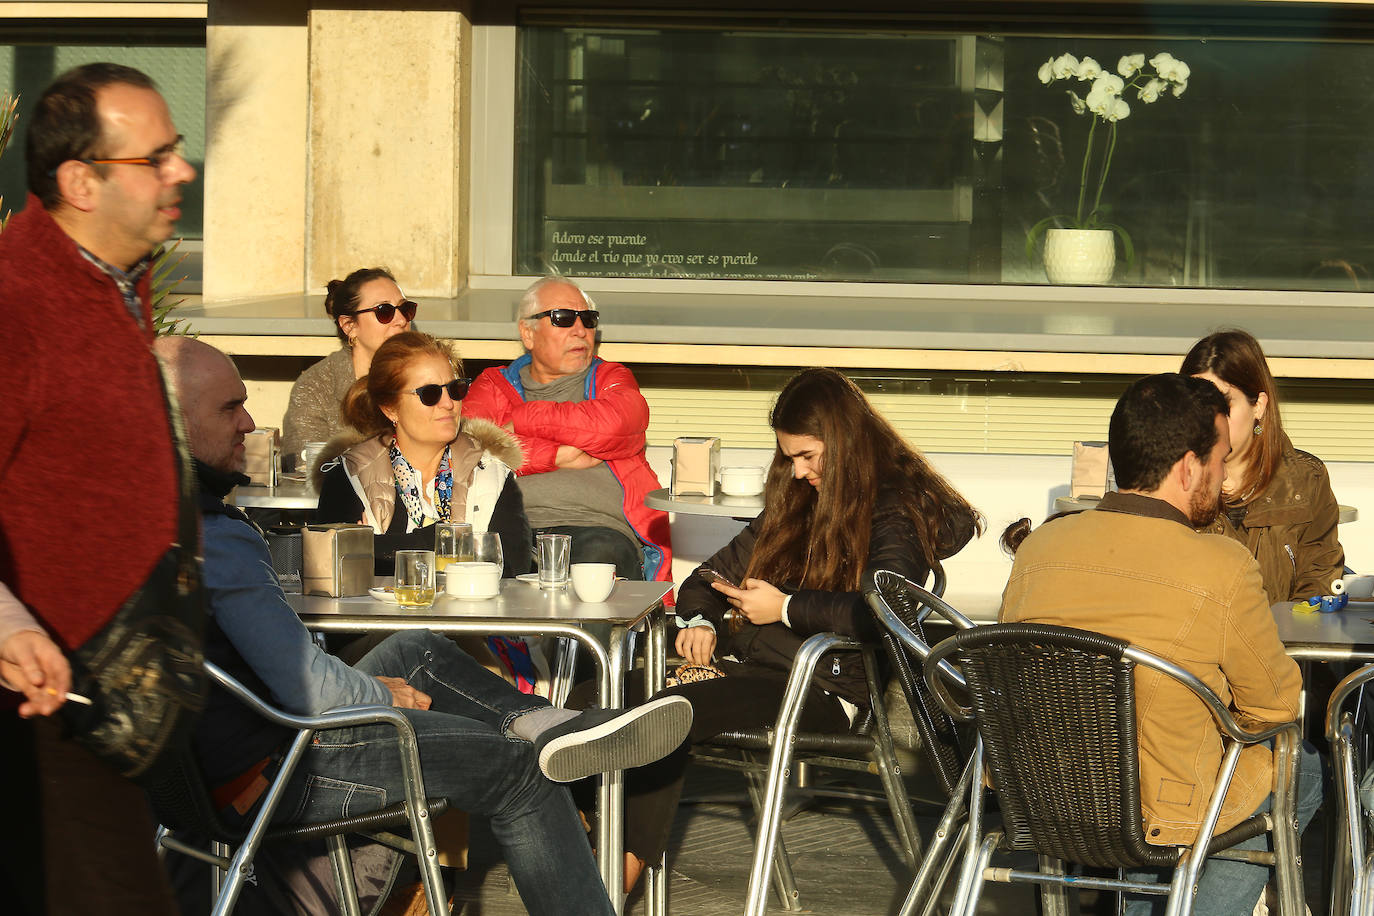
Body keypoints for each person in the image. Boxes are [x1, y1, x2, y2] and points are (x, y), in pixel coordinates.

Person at [155, 336, 694, 916]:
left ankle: (546, 722)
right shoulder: (222, 536)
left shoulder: (142, 522)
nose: (251, 420)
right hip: (278, 766)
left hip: (203, 767)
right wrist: (372, 692)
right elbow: (309, 686)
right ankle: (542, 745)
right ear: (173, 422)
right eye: (229, 408)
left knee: (416, 646)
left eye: (455, 390)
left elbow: (504, 559)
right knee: (520, 773)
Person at [574, 367, 982, 891]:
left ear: (847, 444)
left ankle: (612, 881)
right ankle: (593, 842)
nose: (797, 472)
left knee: (662, 719)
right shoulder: (800, 503)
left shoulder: (896, 510)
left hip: (827, 687)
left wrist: (787, 608)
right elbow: (706, 578)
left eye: (808, 456)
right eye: (790, 458)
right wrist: (701, 620)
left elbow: (886, 613)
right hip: (753, 667)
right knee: (595, 693)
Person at [999, 373, 1322, 916]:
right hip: (1162, 809)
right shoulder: (1220, 565)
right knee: (1300, 764)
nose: (1221, 477)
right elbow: (1275, 707)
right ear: (1188, 467)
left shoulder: (1040, 546)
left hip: (1042, 793)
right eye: (1219, 460)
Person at [0, 62, 198, 916]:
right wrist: (6, 624)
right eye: (155, 159)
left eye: (176, 152)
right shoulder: (17, 298)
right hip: (44, 706)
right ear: (81, 181)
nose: (181, 173)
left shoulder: (109, 288)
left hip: (115, 701)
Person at [463, 276, 671, 581]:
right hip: (508, 529)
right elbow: (469, 451)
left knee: (598, 561)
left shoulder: (609, 378)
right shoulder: (493, 384)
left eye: (588, 319)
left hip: (595, 529)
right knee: (480, 567)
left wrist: (525, 419)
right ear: (527, 333)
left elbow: (617, 425)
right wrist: (555, 454)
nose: (580, 330)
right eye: (563, 318)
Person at [314, 331, 530, 578]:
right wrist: (449, 543)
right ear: (390, 407)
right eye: (430, 393)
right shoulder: (349, 476)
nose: (448, 403)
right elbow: (332, 566)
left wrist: (376, 547)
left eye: (455, 389)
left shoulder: (492, 474)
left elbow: (512, 571)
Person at [1181, 329, 1343, 602]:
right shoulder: (1170, 477)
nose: (1207, 420)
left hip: (1280, 642)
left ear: (1258, 406)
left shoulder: (1306, 479)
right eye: (1195, 405)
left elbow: (1319, 584)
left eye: (1222, 404)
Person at [280, 266, 415, 466]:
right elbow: (306, 471)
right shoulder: (315, 387)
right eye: (384, 311)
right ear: (349, 326)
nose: (401, 320)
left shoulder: (430, 374)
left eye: (405, 308)